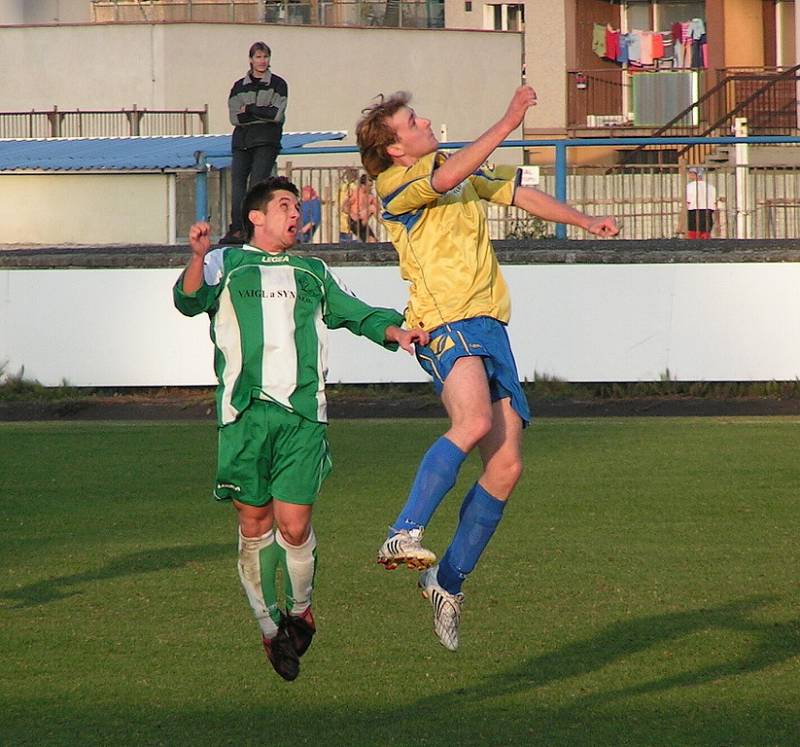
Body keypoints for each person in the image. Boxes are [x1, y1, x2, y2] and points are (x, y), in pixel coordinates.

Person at [356, 86, 619, 651]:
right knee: (472, 420)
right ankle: (403, 532)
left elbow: (519, 195)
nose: (425, 120)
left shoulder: (458, 169)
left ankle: (446, 582)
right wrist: (509, 118)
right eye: (411, 121)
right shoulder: (395, 184)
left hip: (488, 328)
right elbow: (447, 181)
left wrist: (584, 219)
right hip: (444, 323)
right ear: (396, 149)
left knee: (505, 469)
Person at [173, 176, 428, 681]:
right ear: (257, 216)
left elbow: (355, 313)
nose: (296, 213)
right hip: (243, 415)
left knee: (293, 525)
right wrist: (199, 256)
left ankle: (302, 609)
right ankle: (271, 632)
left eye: (296, 205)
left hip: (301, 416)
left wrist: (396, 331)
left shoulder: (313, 271)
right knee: (254, 525)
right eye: (285, 205)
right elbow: (187, 302)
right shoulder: (227, 262)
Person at [220, 42, 288, 245]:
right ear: (251, 59)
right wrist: (261, 111)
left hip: (267, 140)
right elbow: (235, 118)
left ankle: (254, 228)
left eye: (265, 57)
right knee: (238, 186)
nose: (262, 61)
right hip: (242, 141)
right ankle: (238, 228)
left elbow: (276, 114)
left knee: (257, 184)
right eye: (258, 57)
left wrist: (248, 109)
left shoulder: (278, 84)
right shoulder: (239, 86)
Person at [344, 174, 379, 242]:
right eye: (369, 186)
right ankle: (385, 223)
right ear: (363, 185)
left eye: (371, 186)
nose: (370, 188)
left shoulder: (370, 196)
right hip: (355, 221)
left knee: (373, 241)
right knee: (372, 208)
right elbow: (344, 207)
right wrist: (352, 214)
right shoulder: (355, 193)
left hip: (363, 223)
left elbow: (378, 207)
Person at [685, 166, 717, 239]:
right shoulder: (711, 187)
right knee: (705, 237)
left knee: (692, 237)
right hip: (707, 213)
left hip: (693, 214)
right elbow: (714, 203)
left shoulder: (689, 186)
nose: (689, 175)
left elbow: (687, 203)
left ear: (695, 174)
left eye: (690, 173)